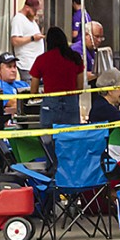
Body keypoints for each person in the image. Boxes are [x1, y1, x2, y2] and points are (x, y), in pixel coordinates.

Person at [30, 27, 85, 162]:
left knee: (49, 142)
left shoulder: (42, 59)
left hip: (50, 105)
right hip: (71, 104)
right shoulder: (75, 58)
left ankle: (52, 170)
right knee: (71, 141)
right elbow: (80, 87)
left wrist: (39, 94)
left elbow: (33, 90)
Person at [10, 0, 42, 81]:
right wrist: (32, 38)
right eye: (34, 10)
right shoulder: (18, 19)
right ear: (27, 7)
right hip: (27, 64)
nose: (35, 13)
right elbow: (15, 41)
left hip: (35, 64)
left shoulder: (31, 20)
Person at [0, 53, 23, 129]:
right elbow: (12, 103)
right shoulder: (0, 85)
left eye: (14, 67)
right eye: (9, 67)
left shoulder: (23, 84)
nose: (13, 70)